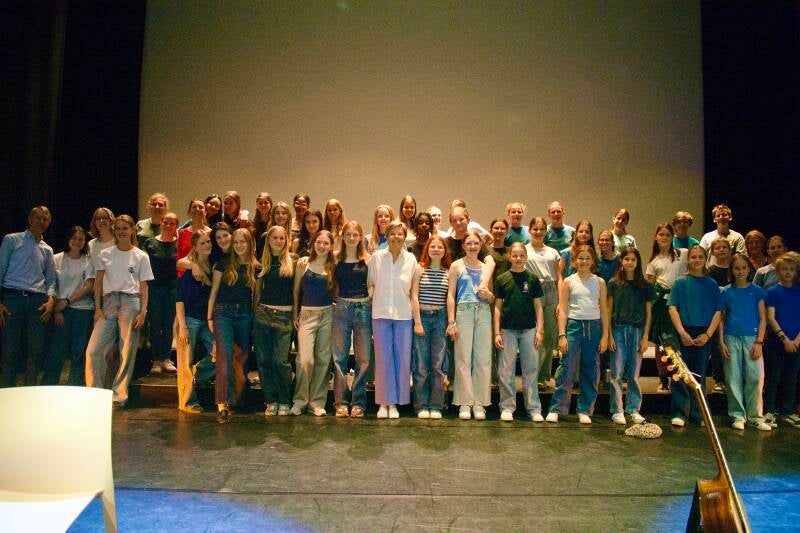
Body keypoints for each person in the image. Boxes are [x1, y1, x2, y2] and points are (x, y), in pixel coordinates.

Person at [85, 215, 153, 407]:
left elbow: (144, 286)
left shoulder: (141, 256)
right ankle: (95, 393)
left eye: (125, 228)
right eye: (118, 228)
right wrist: (98, 308)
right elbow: (98, 283)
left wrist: (143, 311)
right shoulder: (105, 253)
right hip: (109, 302)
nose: (121, 231)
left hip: (131, 302)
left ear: (132, 230)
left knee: (126, 350)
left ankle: (119, 394)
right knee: (93, 350)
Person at [546, 245, 609, 424]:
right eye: (580, 258)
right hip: (574, 326)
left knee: (591, 368)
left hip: (593, 327)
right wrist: (562, 334)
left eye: (588, 258)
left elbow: (604, 310)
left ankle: (584, 409)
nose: (584, 261)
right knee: (567, 367)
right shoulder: (568, 281)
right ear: (574, 261)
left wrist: (605, 335)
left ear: (593, 261)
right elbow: (563, 309)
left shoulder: (599, 282)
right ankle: (557, 408)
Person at [0, 206, 56, 387]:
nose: (41, 222)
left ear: (49, 222)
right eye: (38, 218)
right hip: (13, 298)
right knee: (9, 350)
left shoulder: (47, 249)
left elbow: (51, 279)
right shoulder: (12, 240)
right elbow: (0, 269)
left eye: (45, 219)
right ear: (30, 219)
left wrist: (51, 300)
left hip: (37, 302)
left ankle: (29, 392)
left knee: (36, 351)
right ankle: (6, 394)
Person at [667, 245, 723, 427]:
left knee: (699, 374)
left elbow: (718, 311)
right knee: (680, 373)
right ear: (688, 260)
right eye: (693, 257)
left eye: (700, 257)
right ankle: (680, 412)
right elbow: (672, 308)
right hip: (683, 331)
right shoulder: (680, 283)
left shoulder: (711, 284)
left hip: (703, 333)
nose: (697, 260)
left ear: (705, 260)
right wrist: (682, 332)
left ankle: (698, 413)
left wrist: (708, 334)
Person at [368, 221, 418, 419]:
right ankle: (384, 402)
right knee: (383, 360)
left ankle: (395, 402)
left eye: (400, 233)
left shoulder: (411, 259)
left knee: (402, 360)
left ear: (404, 237)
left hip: (403, 315)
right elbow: (370, 283)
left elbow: (413, 290)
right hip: (380, 314)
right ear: (386, 236)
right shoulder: (377, 257)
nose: (396, 237)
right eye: (392, 233)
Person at [208, 228, 257, 423]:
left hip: (245, 314)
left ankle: (237, 399)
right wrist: (209, 317)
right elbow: (214, 291)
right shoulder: (223, 264)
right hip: (223, 313)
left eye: (242, 241)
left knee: (243, 356)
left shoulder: (255, 266)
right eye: (235, 242)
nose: (239, 245)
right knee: (224, 357)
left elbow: (256, 296)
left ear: (249, 243)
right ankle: (222, 404)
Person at [718, 253, 771, 431]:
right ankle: (737, 415)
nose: (740, 271)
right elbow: (721, 318)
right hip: (731, 337)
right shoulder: (726, 291)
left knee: (755, 377)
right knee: (733, 377)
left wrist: (759, 342)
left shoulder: (757, 291)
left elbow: (763, 318)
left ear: (749, 269)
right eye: (736, 268)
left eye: (743, 268)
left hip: (752, 339)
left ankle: (755, 416)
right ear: (731, 270)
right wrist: (721, 342)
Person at [447, 229, 495, 420]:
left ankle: (480, 403)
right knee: (463, 358)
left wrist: (489, 295)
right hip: (464, 312)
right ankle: (465, 402)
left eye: (476, 243)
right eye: (469, 243)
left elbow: (491, 297)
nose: (473, 246)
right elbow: (451, 295)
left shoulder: (485, 268)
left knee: (483, 359)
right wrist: (451, 321)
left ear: (481, 245)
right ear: (463, 246)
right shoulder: (456, 266)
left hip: (483, 312)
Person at [494, 242, 544, 421]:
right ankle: (507, 407)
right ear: (510, 257)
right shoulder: (502, 279)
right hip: (507, 330)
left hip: (529, 330)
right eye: (514, 255)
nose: (518, 258)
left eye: (521, 255)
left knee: (530, 369)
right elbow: (497, 307)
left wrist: (540, 330)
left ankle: (533, 408)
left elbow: (538, 306)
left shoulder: (533, 279)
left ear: (526, 257)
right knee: (505, 370)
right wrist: (497, 332)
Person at [42, 226, 95, 386]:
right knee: (56, 352)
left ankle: (75, 388)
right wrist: (57, 310)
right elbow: (51, 284)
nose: (77, 242)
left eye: (81, 239)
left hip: (83, 311)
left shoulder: (88, 260)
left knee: (79, 353)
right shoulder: (57, 258)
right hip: (61, 311)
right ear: (68, 239)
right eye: (74, 238)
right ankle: (48, 388)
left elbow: (88, 286)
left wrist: (67, 302)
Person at [606, 247, 654, 425]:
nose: (629, 262)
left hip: (637, 331)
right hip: (618, 330)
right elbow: (608, 309)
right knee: (616, 372)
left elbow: (649, 312)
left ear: (638, 262)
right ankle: (617, 410)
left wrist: (645, 336)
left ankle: (633, 409)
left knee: (633, 373)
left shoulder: (645, 285)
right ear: (621, 261)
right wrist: (609, 335)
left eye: (633, 259)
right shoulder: (614, 283)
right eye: (626, 259)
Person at [291, 231, 335, 416]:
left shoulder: (333, 266)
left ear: (331, 246)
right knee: (305, 360)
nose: (322, 246)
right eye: (319, 242)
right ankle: (300, 401)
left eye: (326, 243)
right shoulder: (303, 264)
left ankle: (316, 402)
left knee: (323, 360)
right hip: (307, 315)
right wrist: (296, 314)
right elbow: (296, 292)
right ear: (313, 244)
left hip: (327, 315)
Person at [254, 225, 296, 417]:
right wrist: (255, 313)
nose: (278, 241)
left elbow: (296, 292)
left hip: (284, 317)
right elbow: (257, 293)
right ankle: (271, 400)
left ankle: (285, 400)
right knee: (264, 360)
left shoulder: (293, 261)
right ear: (268, 240)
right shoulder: (261, 263)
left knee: (281, 361)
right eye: (275, 238)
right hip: (263, 315)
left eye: (282, 238)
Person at [331, 222, 372, 418]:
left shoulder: (368, 260)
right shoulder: (335, 258)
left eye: (355, 234)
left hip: (363, 309)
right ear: (343, 236)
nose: (352, 238)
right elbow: (332, 282)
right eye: (348, 234)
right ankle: (341, 401)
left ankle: (358, 402)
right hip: (342, 308)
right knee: (339, 357)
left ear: (361, 237)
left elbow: (373, 284)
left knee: (363, 358)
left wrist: (369, 298)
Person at [175, 231, 216, 414]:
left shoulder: (211, 266)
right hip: (189, 320)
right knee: (185, 361)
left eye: (208, 242)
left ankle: (198, 373)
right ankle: (187, 403)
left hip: (206, 321)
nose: (207, 245)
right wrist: (182, 326)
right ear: (195, 247)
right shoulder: (191, 268)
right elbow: (179, 299)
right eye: (202, 243)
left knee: (220, 353)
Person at [411, 235, 451, 419]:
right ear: (427, 249)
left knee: (437, 364)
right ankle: (421, 405)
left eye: (440, 247)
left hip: (440, 318)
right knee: (421, 365)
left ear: (444, 251)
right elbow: (414, 296)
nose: (436, 249)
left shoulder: (448, 272)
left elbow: (449, 298)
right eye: (432, 246)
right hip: (423, 318)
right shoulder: (420, 269)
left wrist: (450, 322)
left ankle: (436, 405)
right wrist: (418, 322)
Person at [645, 223, 687, 390]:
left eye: (667, 235)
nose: (664, 237)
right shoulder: (653, 261)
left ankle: (679, 377)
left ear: (672, 237)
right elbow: (650, 286)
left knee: (676, 340)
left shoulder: (682, 254)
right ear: (656, 237)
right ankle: (663, 379)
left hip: (679, 302)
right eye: (661, 234)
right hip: (661, 303)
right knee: (661, 341)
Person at [524, 216, 561, 388]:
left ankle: (543, 376)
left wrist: (560, 300)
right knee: (534, 334)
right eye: (535, 229)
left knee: (549, 335)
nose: (538, 232)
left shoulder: (553, 252)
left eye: (541, 229)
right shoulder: (524, 250)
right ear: (530, 230)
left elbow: (559, 277)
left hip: (551, 290)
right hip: (533, 290)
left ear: (546, 231)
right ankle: (531, 375)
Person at [764, 253, 800, 428]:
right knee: (774, 376)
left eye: (791, 269)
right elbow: (771, 317)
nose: (788, 272)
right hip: (776, 341)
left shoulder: (798, 292)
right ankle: (770, 410)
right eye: (784, 269)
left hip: (796, 341)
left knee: (791, 377)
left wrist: (796, 341)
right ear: (778, 271)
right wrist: (784, 339)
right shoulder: (772, 292)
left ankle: (787, 411)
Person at [142, 212, 179, 375]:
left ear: (176, 226)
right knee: (155, 324)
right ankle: (156, 360)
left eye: (172, 223)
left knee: (168, 324)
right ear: (161, 223)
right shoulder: (149, 243)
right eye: (166, 222)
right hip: (154, 288)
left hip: (172, 289)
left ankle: (166, 358)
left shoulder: (179, 244)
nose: (168, 225)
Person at [177, 199, 210, 268]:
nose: (197, 209)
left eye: (201, 207)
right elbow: (179, 259)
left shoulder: (211, 233)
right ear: (189, 212)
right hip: (185, 271)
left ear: (205, 212)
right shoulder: (182, 233)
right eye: (194, 207)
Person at [251, 192, 273, 259]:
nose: (263, 205)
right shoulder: (253, 223)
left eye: (266, 203)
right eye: (260, 203)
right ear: (257, 205)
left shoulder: (275, 222)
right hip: (257, 257)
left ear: (271, 204)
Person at [489, 218, 510, 284]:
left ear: (507, 232)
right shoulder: (484, 251)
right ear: (490, 230)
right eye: (496, 228)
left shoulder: (511, 251)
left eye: (503, 228)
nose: (499, 231)